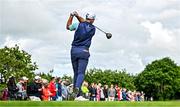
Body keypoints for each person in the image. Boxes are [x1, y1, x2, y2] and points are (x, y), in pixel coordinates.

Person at [66, 11, 96, 101]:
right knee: (81, 73)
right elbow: (85, 22)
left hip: (74, 50)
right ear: (93, 20)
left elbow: (68, 26)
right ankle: (77, 90)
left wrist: (72, 16)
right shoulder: (93, 28)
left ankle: (75, 95)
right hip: (84, 50)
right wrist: (78, 16)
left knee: (76, 73)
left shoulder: (77, 25)